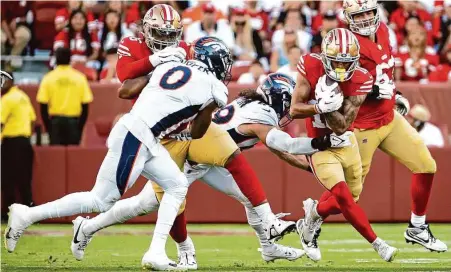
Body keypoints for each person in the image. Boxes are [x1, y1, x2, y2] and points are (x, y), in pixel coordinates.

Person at [68, 73, 354, 265]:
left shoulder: (249, 103)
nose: (290, 108)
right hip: (192, 156)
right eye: (288, 102)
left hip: (209, 158)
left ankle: (268, 247)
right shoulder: (261, 114)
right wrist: (323, 142)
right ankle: (88, 227)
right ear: (279, 99)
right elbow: (287, 144)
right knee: (144, 204)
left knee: (247, 194)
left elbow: (281, 149)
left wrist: (309, 167)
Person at [4, 36, 230, 271]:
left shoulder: (172, 66)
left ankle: (156, 252)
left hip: (141, 133)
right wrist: (212, 105)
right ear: (214, 62)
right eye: (224, 63)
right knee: (99, 200)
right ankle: (27, 215)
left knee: (177, 185)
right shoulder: (211, 84)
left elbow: (134, 91)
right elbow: (198, 131)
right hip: (139, 136)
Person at [116, 4, 297, 269]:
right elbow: (124, 84)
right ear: (146, 29)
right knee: (134, 200)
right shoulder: (133, 45)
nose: (167, 41)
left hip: (192, 128)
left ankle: (267, 233)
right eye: (160, 34)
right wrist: (157, 64)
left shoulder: (187, 49)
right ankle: (92, 228)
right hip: (160, 132)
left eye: (171, 35)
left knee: (230, 164)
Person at [301, 0, 447, 257]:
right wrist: (375, 92)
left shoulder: (384, 31)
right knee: (350, 197)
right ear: (348, 17)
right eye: (360, 14)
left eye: (370, 12)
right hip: (361, 127)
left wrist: (394, 94)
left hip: (389, 118)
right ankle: (314, 214)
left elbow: (384, 72)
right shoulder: (345, 43)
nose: (367, 18)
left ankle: (417, 226)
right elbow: (339, 88)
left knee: (426, 165)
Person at [290, 28, 398, 262]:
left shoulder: (361, 78)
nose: (340, 68)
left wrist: (329, 108)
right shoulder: (310, 64)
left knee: (348, 200)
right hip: (318, 145)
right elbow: (294, 109)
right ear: (325, 56)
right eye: (336, 62)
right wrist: (319, 106)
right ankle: (377, 244)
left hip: (345, 140)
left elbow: (343, 125)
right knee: (342, 196)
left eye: (345, 63)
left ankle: (313, 214)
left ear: (355, 61)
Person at [36, 47, 93, 146]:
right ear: (70, 59)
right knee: (73, 156)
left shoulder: (48, 78)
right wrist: (80, 127)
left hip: (55, 123)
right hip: (74, 123)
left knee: (56, 156)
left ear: (56, 59)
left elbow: (43, 106)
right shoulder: (79, 78)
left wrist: (49, 127)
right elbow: (85, 106)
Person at [1, 71, 35, 221]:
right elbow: (33, 119)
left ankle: (8, 213)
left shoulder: (7, 99)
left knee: (7, 179)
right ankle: (30, 211)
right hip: (25, 142)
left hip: (11, 142)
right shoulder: (23, 97)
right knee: (24, 180)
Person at [0, 1, 32, 69]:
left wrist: (17, 20)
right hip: (3, 27)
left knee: (25, 35)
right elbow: (3, 21)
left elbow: (30, 18)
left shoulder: (28, 2)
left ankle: (11, 61)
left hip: (19, 26)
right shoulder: (3, 2)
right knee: (1, 39)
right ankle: (1, 61)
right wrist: (10, 38)